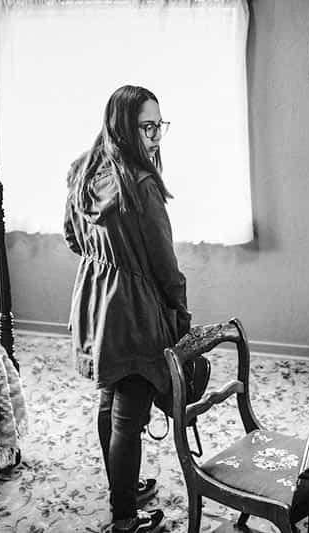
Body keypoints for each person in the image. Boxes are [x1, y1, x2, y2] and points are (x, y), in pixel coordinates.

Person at [64, 85, 190, 533]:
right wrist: (180, 310)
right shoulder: (141, 184)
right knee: (128, 415)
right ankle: (124, 519)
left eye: (160, 126)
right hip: (134, 309)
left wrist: (107, 263)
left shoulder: (83, 169)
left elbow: (72, 237)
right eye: (148, 127)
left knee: (109, 398)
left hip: (96, 299)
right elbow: (164, 265)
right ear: (124, 125)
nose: (157, 136)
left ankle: (123, 488)